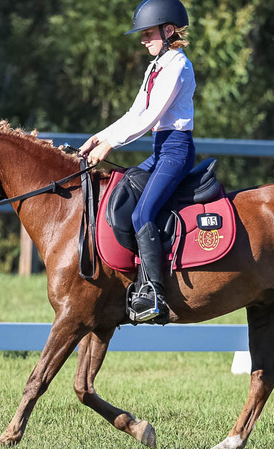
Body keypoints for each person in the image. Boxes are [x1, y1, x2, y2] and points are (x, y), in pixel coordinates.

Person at [79, 0, 196, 323]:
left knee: (144, 212)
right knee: (126, 192)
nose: (143, 40)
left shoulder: (178, 66)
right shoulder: (155, 66)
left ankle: (154, 293)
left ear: (168, 30)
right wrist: (97, 137)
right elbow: (134, 113)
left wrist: (110, 145)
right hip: (160, 151)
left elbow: (151, 118)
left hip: (176, 150)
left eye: (148, 34)